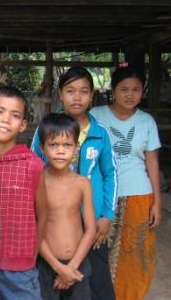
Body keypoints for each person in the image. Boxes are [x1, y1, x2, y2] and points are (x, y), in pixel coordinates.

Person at [31, 66, 118, 300]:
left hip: (93, 217)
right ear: (60, 93)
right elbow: (33, 169)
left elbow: (110, 173)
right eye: (70, 91)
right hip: (53, 217)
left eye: (84, 91)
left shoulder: (100, 132)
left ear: (92, 95)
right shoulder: (46, 129)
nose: (77, 97)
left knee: (97, 282)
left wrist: (107, 215)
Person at [90, 66, 161, 300]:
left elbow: (152, 162)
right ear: (113, 91)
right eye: (124, 89)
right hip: (102, 195)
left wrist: (157, 202)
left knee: (135, 255)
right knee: (98, 250)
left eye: (136, 90)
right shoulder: (96, 115)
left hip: (139, 195)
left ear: (143, 92)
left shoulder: (146, 121)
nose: (130, 94)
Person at [0, 86, 47, 300]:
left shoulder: (32, 165)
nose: (6, 119)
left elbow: (42, 215)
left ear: (23, 124)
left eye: (15, 115)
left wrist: (32, 256)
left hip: (20, 269)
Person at [36, 113, 96, 300]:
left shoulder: (82, 183)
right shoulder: (37, 182)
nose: (60, 151)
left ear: (76, 147)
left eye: (67, 145)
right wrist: (58, 267)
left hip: (78, 263)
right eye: (53, 145)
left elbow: (91, 229)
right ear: (42, 148)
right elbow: (34, 230)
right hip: (47, 264)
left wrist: (71, 268)